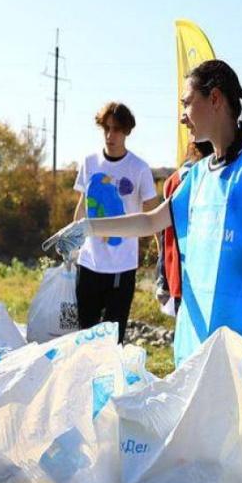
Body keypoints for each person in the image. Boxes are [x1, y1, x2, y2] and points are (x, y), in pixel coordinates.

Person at [47, 60, 242, 367]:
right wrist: (88, 227)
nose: (183, 116)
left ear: (214, 99)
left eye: (187, 103)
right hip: (203, 341)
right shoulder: (197, 177)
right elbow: (150, 220)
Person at [72, 102, 157, 343]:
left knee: (112, 341)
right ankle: (85, 380)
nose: (110, 135)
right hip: (88, 264)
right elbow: (82, 205)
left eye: (117, 129)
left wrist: (163, 257)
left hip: (121, 267)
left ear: (127, 131)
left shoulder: (139, 168)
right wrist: (72, 243)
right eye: (106, 128)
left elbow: (153, 213)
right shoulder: (89, 162)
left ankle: (110, 380)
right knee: (84, 337)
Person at [155, 139, 213, 313]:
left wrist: (163, 279)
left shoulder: (178, 179)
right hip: (190, 278)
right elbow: (166, 232)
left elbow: (164, 232)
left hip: (188, 278)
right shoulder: (181, 178)